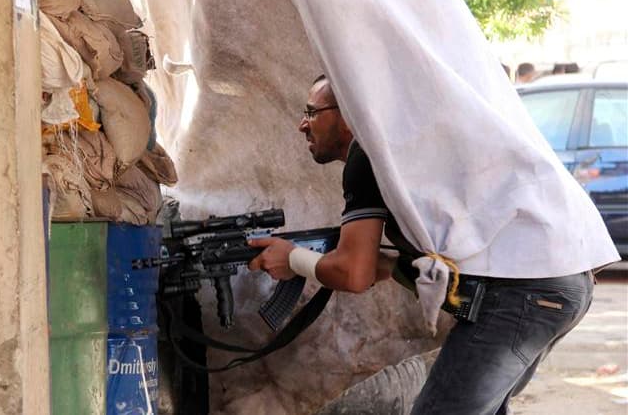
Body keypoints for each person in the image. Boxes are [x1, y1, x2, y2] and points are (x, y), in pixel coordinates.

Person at [248, 75, 596, 415]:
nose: (302, 124)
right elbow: (404, 262)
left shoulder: (367, 154)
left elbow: (353, 274)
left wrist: (293, 258)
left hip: (525, 295)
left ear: (347, 112)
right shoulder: (400, 148)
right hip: (559, 285)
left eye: (311, 111)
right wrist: (368, 260)